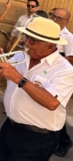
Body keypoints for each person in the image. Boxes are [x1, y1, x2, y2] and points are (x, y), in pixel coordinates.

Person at [0, 17, 73, 161]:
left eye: (32, 40)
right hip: (10, 128)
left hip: (37, 138)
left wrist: (19, 78)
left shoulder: (65, 70)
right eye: (26, 38)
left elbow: (51, 103)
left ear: (50, 45)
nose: (27, 43)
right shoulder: (21, 55)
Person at [50, 8, 73, 157]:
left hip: (60, 74)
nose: (55, 20)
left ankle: (64, 141)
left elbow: (71, 58)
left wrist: (53, 60)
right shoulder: (49, 31)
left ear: (67, 21)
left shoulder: (69, 37)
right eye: (53, 16)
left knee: (54, 109)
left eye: (58, 18)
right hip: (47, 71)